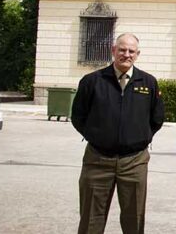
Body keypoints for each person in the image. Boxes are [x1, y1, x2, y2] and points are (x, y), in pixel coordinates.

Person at [71, 32, 165, 234]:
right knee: (90, 220)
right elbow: (78, 116)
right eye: (122, 50)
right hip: (97, 160)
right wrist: (97, 136)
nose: (126, 54)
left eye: (131, 51)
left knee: (134, 220)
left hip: (134, 162)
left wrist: (139, 137)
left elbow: (157, 118)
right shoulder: (92, 81)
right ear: (113, 51)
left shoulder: (148, 82)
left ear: (137, 54)